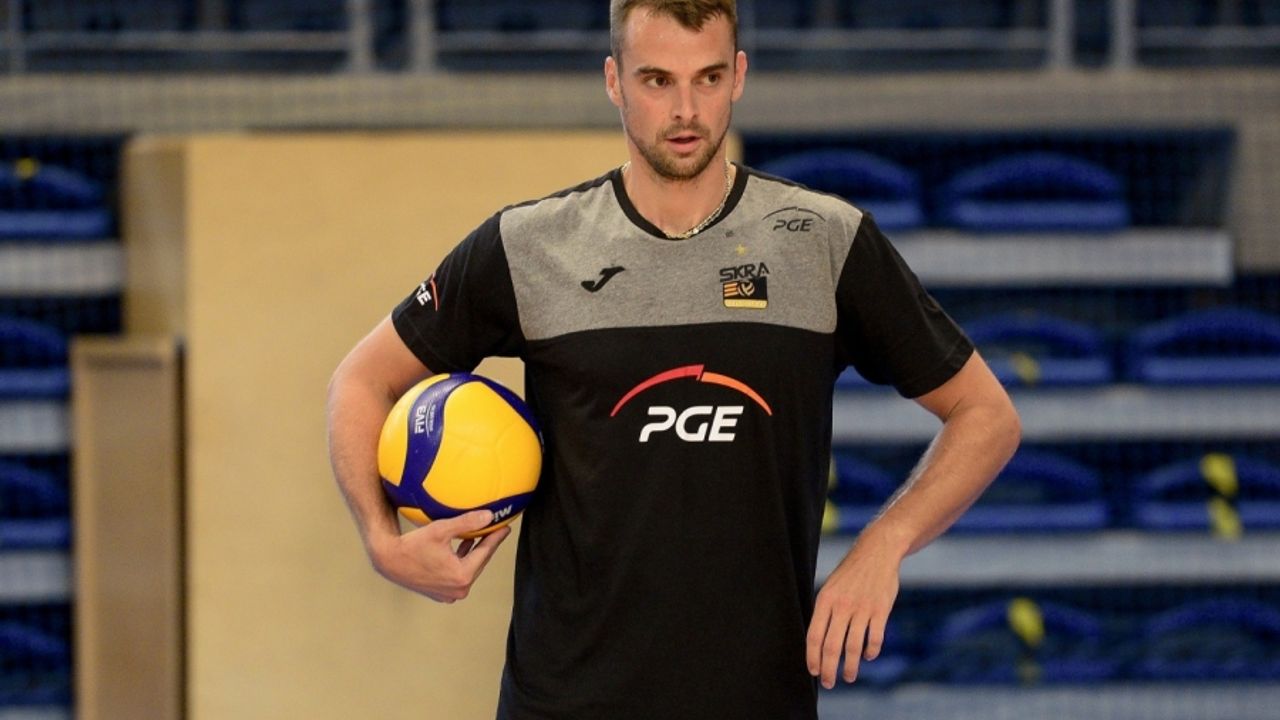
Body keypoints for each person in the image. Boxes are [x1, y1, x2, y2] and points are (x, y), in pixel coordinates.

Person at [326, 0, 1021, 717]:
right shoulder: (529, 245)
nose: (686, 110)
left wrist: (885, 544)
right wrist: (382, 541)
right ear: (614, 81)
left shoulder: (823, 241)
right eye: (657, 80)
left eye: (708, 78)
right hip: (564, 702)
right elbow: (361, 381)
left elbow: (986, 416)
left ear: (739, 75)